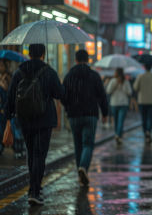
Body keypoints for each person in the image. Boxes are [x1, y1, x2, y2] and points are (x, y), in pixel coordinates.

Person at [4, 44, 64, 205]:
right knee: (39, 155)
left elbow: (10, 97)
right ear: (43, 54)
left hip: (25, 119)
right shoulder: (49, 72)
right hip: (44, 120)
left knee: (31, 153)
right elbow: (59, 94)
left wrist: (8, 116)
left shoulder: (19, 72)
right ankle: (34, 190)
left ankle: (34, 186)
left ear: (29, 54)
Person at [62, 50, 109, 187]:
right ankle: (83, 167)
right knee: (88, 144)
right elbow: (102, 95)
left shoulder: (69, 76)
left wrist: (69, 107)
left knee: (78, 144)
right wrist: (105, 112)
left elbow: (63, 96)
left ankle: (80, 171)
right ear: (88, 60)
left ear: (76, 60)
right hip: (90, 114)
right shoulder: (94, 76)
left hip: (74, 115)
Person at [133, 62, 152, 142]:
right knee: (151, 117)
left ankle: (145, 132)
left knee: (144, 118)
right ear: (151, 67)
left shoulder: (140, 77)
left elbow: (135, 87)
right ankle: (149, 131)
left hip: (142, 100)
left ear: (144, 67)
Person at [106, 68, 132, 144]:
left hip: (114, 103)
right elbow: (129, 92)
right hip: (123, 103)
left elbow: (108, 91)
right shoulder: (126, 82)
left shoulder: (112, 81)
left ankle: (117, 135)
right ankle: (118, 135)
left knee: (116, 120)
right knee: (120, 121)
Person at [0, 59, 11, 155]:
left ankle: (2, 145)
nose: (0, 66)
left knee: (2, 127)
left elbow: (6, 88)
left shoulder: (7, 76)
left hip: (4, 106)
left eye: (1, 65)